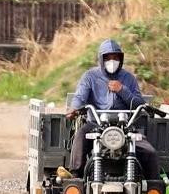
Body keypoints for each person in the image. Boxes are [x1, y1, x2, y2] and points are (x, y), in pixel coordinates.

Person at [65, 38, 163, 181]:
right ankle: (75, 177)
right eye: (108, 57)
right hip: (96, 124)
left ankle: (154, 191)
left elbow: (139, 104)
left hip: (126, 127)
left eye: (115, 57)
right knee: (80, 136)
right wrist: (73, 109)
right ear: (101, 59)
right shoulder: (90, 77)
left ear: (121, 59)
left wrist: (122, 90)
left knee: (150, 152)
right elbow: (80, 96)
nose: (112, 61)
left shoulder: (128, 78)